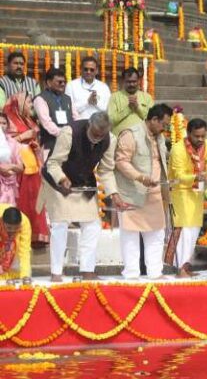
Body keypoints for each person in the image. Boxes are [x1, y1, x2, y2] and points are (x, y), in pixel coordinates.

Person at [40, 111, 122, 282]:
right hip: (57, 180)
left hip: (84, 182)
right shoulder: (70, 132)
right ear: (88, 125)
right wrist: (62, 179)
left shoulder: (110, 139)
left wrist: (113, 193)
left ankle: (87, 270)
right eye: (94, 134)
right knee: (60, 224)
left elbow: (106, 170)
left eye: (101, 135)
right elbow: (53, 163)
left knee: (93, 224)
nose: (97, 139)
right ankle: (56, 272)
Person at [114, 103, 172, 279]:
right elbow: (121, 161)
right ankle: (131, 274)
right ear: (154, 119)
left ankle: (155, 272)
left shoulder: (159, 136)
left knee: (156, 232)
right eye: (163, 124)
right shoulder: (130, 134)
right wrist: (140, 177)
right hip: (132, 192)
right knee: (130, 233)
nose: (165, 128)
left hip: (154, 193)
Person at [167, 118, 207, 278]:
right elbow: (180, 175)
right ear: (188, 134)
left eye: (203, 136)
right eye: (197, 136)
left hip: (197, 193)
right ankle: (180, 269)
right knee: (183, 231)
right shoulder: (178, 149)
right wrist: (198, 177)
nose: (201, 139)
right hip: (180, 192)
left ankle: (186, 266)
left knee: (194, 230)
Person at [3, 92, 48, 246]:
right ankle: (19, 236)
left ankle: (36, 235)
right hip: (18, 168)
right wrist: (24, 137)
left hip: (33, 165)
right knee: (22, 201)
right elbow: (4, 142)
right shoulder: (9, 120)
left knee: (34, 200)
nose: (31, 106)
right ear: (19, 104)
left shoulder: (29, 120)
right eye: (28, 103)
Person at [34, 68, 78, 155]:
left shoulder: (67, 98)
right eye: (59, 82)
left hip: (69, 144)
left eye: (64, 82)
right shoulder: (40, 99)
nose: (63, 84)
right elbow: (46, 123)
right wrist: (64, 135)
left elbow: (76, 118)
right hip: (49, 144)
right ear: (49, 83)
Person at [108, 67, 154, 136]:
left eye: (134, 81)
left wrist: (137, 107)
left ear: (138, 81)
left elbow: (153, 120)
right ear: (123, 81)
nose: (132, 84)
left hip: (142, 139)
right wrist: (128, 109)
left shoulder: (147, 97)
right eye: (128, 82)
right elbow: (110, 120)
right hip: (120, 139)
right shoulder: (115, 97)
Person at [65, 56, 111, 121]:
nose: (88, 72)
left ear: (97, 71)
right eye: (85, 69)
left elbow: (108, 110)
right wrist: (87, 102)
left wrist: (96, 103)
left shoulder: (104, 87)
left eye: (92, 70)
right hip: (79, 124)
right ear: (81, 69)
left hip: (99, 125)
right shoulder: (71, 85)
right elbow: (68, 109)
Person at [0, 205, 31, 279]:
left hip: (13, 244)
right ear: (2, 222)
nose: (12, 231)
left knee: (20, 273)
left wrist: (25, 276)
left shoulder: (25, 223)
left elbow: (25, 251)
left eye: (16, 228)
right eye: (9, 228)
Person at [0, 114, 23, 205]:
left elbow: (21, 168)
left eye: (4, 123)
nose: (1, 126)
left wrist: (11, 166)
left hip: (9, 187)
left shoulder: (13, 143)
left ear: (8, 126)